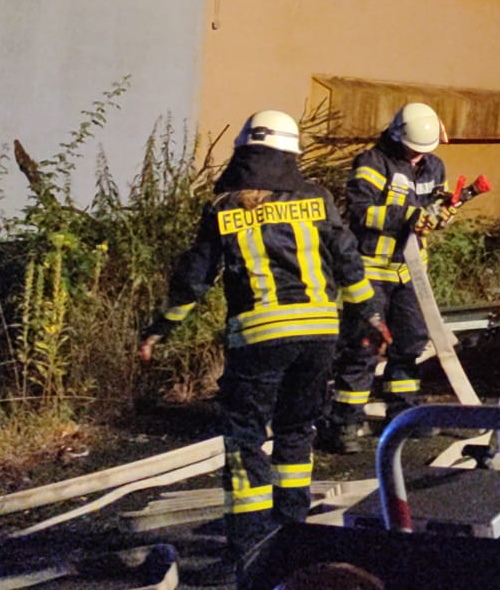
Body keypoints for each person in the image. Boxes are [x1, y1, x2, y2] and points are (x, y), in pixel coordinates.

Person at [138, 110, 382, 564]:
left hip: (258, 337)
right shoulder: (318, 199)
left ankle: (249, 549)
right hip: (318, 335)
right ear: (291, 154)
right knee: (297, 432)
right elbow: (348, 259)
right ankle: (293, 537)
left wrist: (160, 328)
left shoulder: (224, 208)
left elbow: (195, 278)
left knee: (245, 442)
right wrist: (370, 314)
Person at [319, 102, 448, 454]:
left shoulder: (434, 166)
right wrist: (407, 216)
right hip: (371, 270)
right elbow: (360, 213)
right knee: (364, 345)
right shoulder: (372, 163)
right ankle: (345, 421)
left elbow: (434, 207)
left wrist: (438, 217)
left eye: (424, 150)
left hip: (410, 272)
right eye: (413, 149)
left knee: (410, 342)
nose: (418, 155)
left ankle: (403, 412)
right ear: (397, 136)